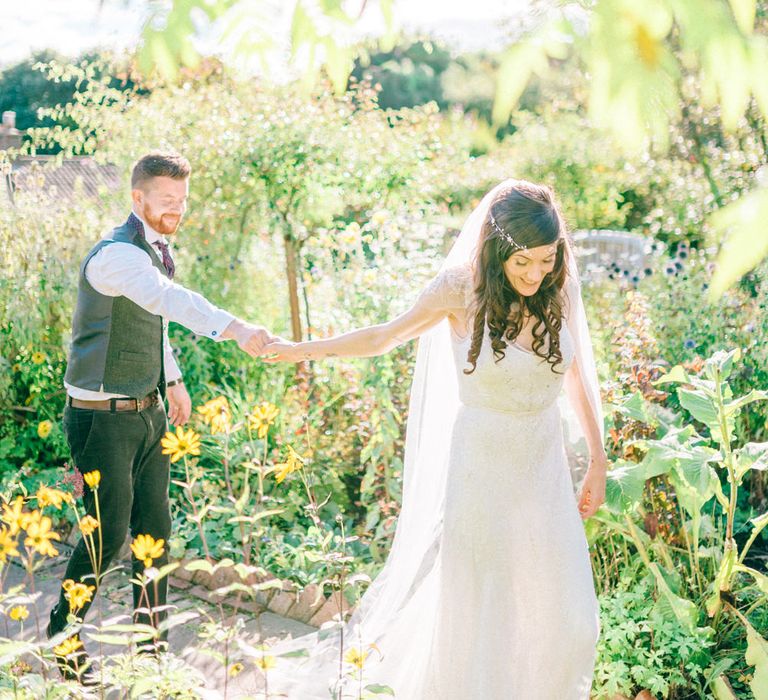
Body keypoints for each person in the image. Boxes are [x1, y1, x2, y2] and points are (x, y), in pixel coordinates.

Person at [260, 178, 607, 699]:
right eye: (523, 263)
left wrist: (598, 460)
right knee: (486, 605)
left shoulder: (560, 287)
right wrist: (302, 349)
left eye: (547, 259)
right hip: (482, 465)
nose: (537, 272)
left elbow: (578, 377)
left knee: (568, 609)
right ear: (497, 249)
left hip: (542, 465)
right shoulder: (457, 289)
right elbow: (382, 336)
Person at [47, 151, 274, 682]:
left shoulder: (154, 249)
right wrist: (237, 328)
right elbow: (168, 298)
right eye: (166, 200)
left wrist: (170, 380)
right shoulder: (115, 256)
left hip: (148, 411)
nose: (177, 208)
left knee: (155, 532)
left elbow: (156, 321)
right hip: (101, 418)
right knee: (107, 533)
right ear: (138, 198)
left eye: (182, 200)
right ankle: (62, 637)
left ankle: (150, 655)